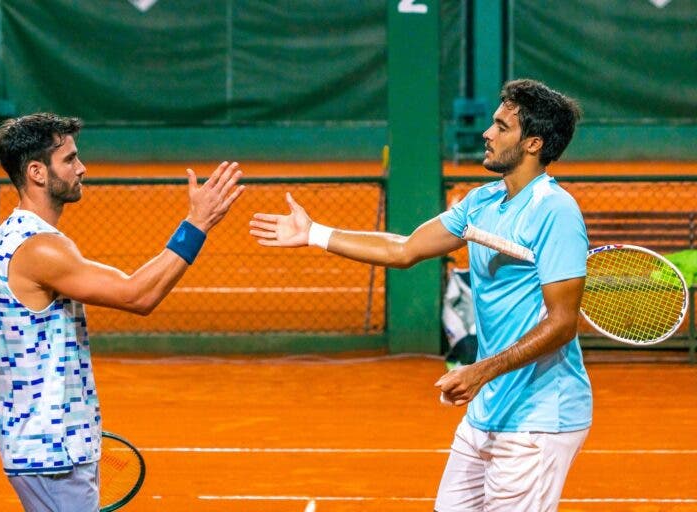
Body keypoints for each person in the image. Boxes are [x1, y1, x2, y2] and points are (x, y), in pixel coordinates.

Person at [249, 78, 591, 512]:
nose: (486, 133)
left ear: (533, 144)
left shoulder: (555, 212)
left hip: (538, 420)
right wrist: (315, 233)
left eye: (501, 127)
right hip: (488, 411)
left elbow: (563, 323)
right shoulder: (482, 202)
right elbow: (405, 248)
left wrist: (481, 371)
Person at [0, 112, 244, 511]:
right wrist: (197, 223)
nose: (82, 167)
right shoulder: (38, 248)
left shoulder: (16, 236)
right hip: (53, 451)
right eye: (69, 159)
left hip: (49, 444)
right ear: (37, 172)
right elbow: (137, 295)